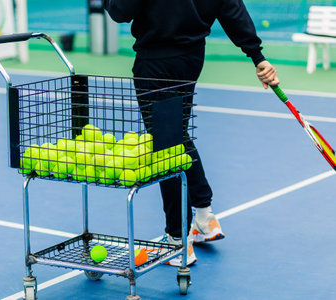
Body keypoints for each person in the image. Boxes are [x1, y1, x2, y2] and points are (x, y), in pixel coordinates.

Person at [105, 0, 280, 266]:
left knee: (167, 148)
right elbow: (232, 8)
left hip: (156, 64)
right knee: (177, 137)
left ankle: (177, 241)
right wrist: (257, 55)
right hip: (191, 59)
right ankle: (204, 217)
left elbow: (121, 11)